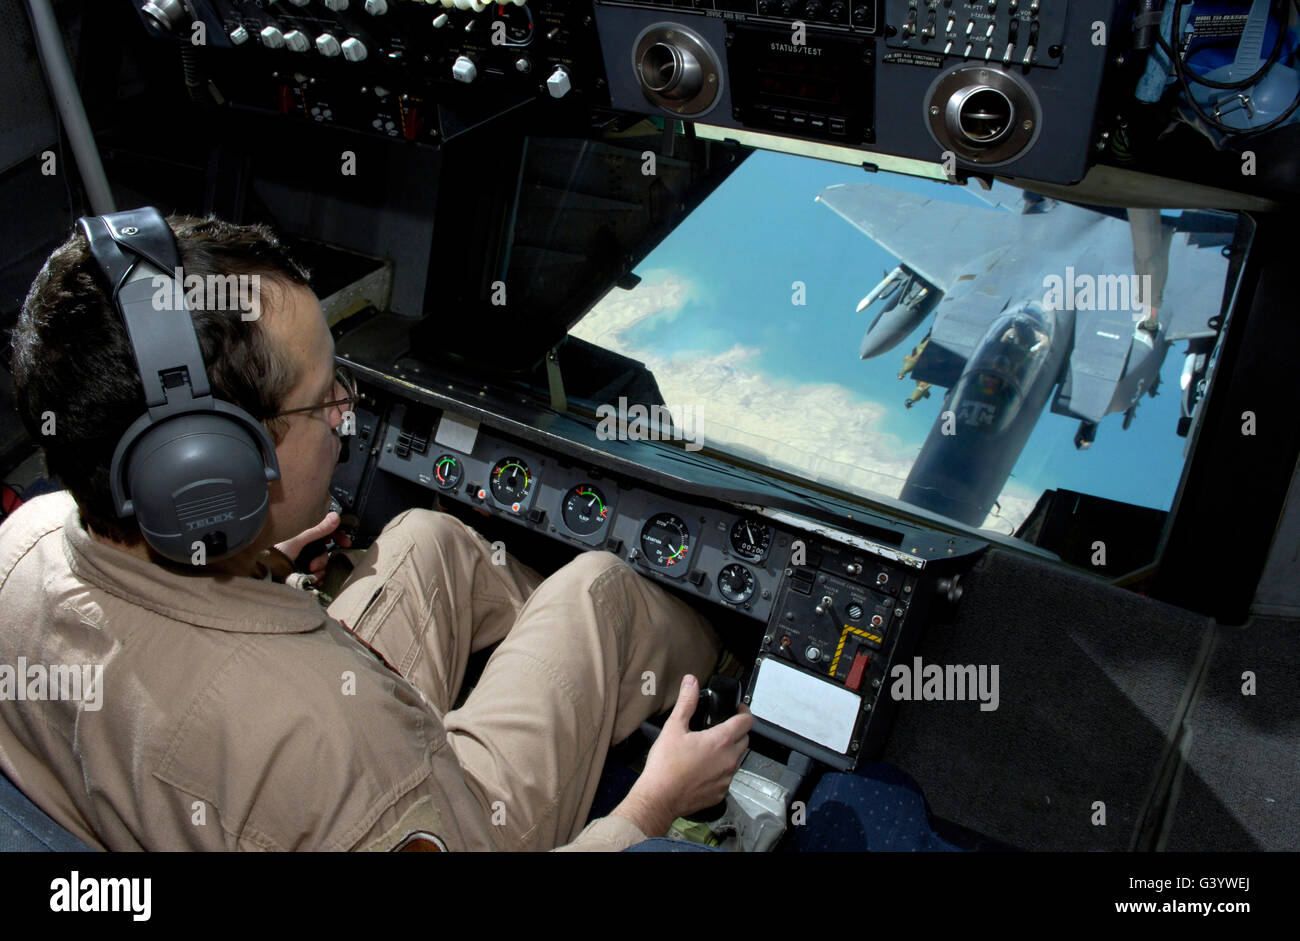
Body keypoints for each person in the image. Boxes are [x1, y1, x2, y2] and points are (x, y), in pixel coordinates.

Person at [0, 214, 752, 851]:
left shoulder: (24, 540)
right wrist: (651, 804)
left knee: (433, 539)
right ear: (213, 473)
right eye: (324, 397)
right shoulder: (334, 747)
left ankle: (591, 689)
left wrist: (247, 563)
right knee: (601, 590)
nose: (347, 413)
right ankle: (729, 683)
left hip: (261, 752)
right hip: (414, 806)